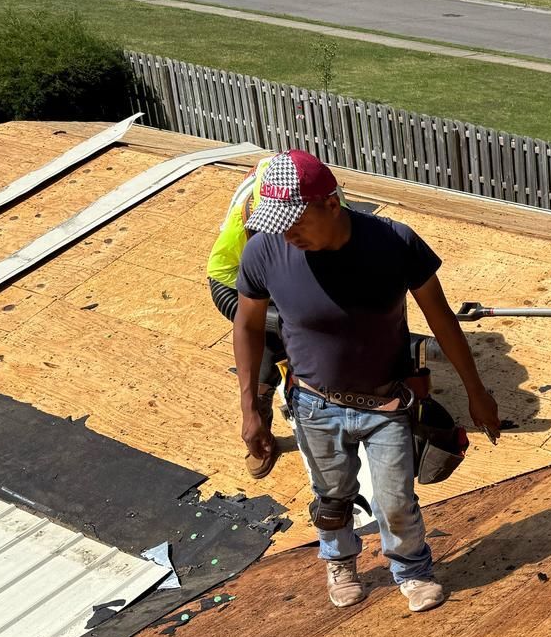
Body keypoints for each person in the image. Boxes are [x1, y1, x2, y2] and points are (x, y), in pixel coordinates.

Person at [232, 150, 501, 613]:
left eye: (294, 220)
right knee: (332, 496)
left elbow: (441, 321)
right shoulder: (266, 250)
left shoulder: (394, 243)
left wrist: (477, 391)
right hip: (314, 405)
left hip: (386, 404)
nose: (285, 234)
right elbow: (248, 327)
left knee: (396, 499)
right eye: (277, 222)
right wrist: (249, 409)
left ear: (331, 204)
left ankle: (412, 570)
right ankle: (339, 561)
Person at [208, 154, 291, 479]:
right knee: (270, 341)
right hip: (252, 284)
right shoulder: (239, 228)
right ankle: (259, 412)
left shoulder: (330, 208)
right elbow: (221, 279)